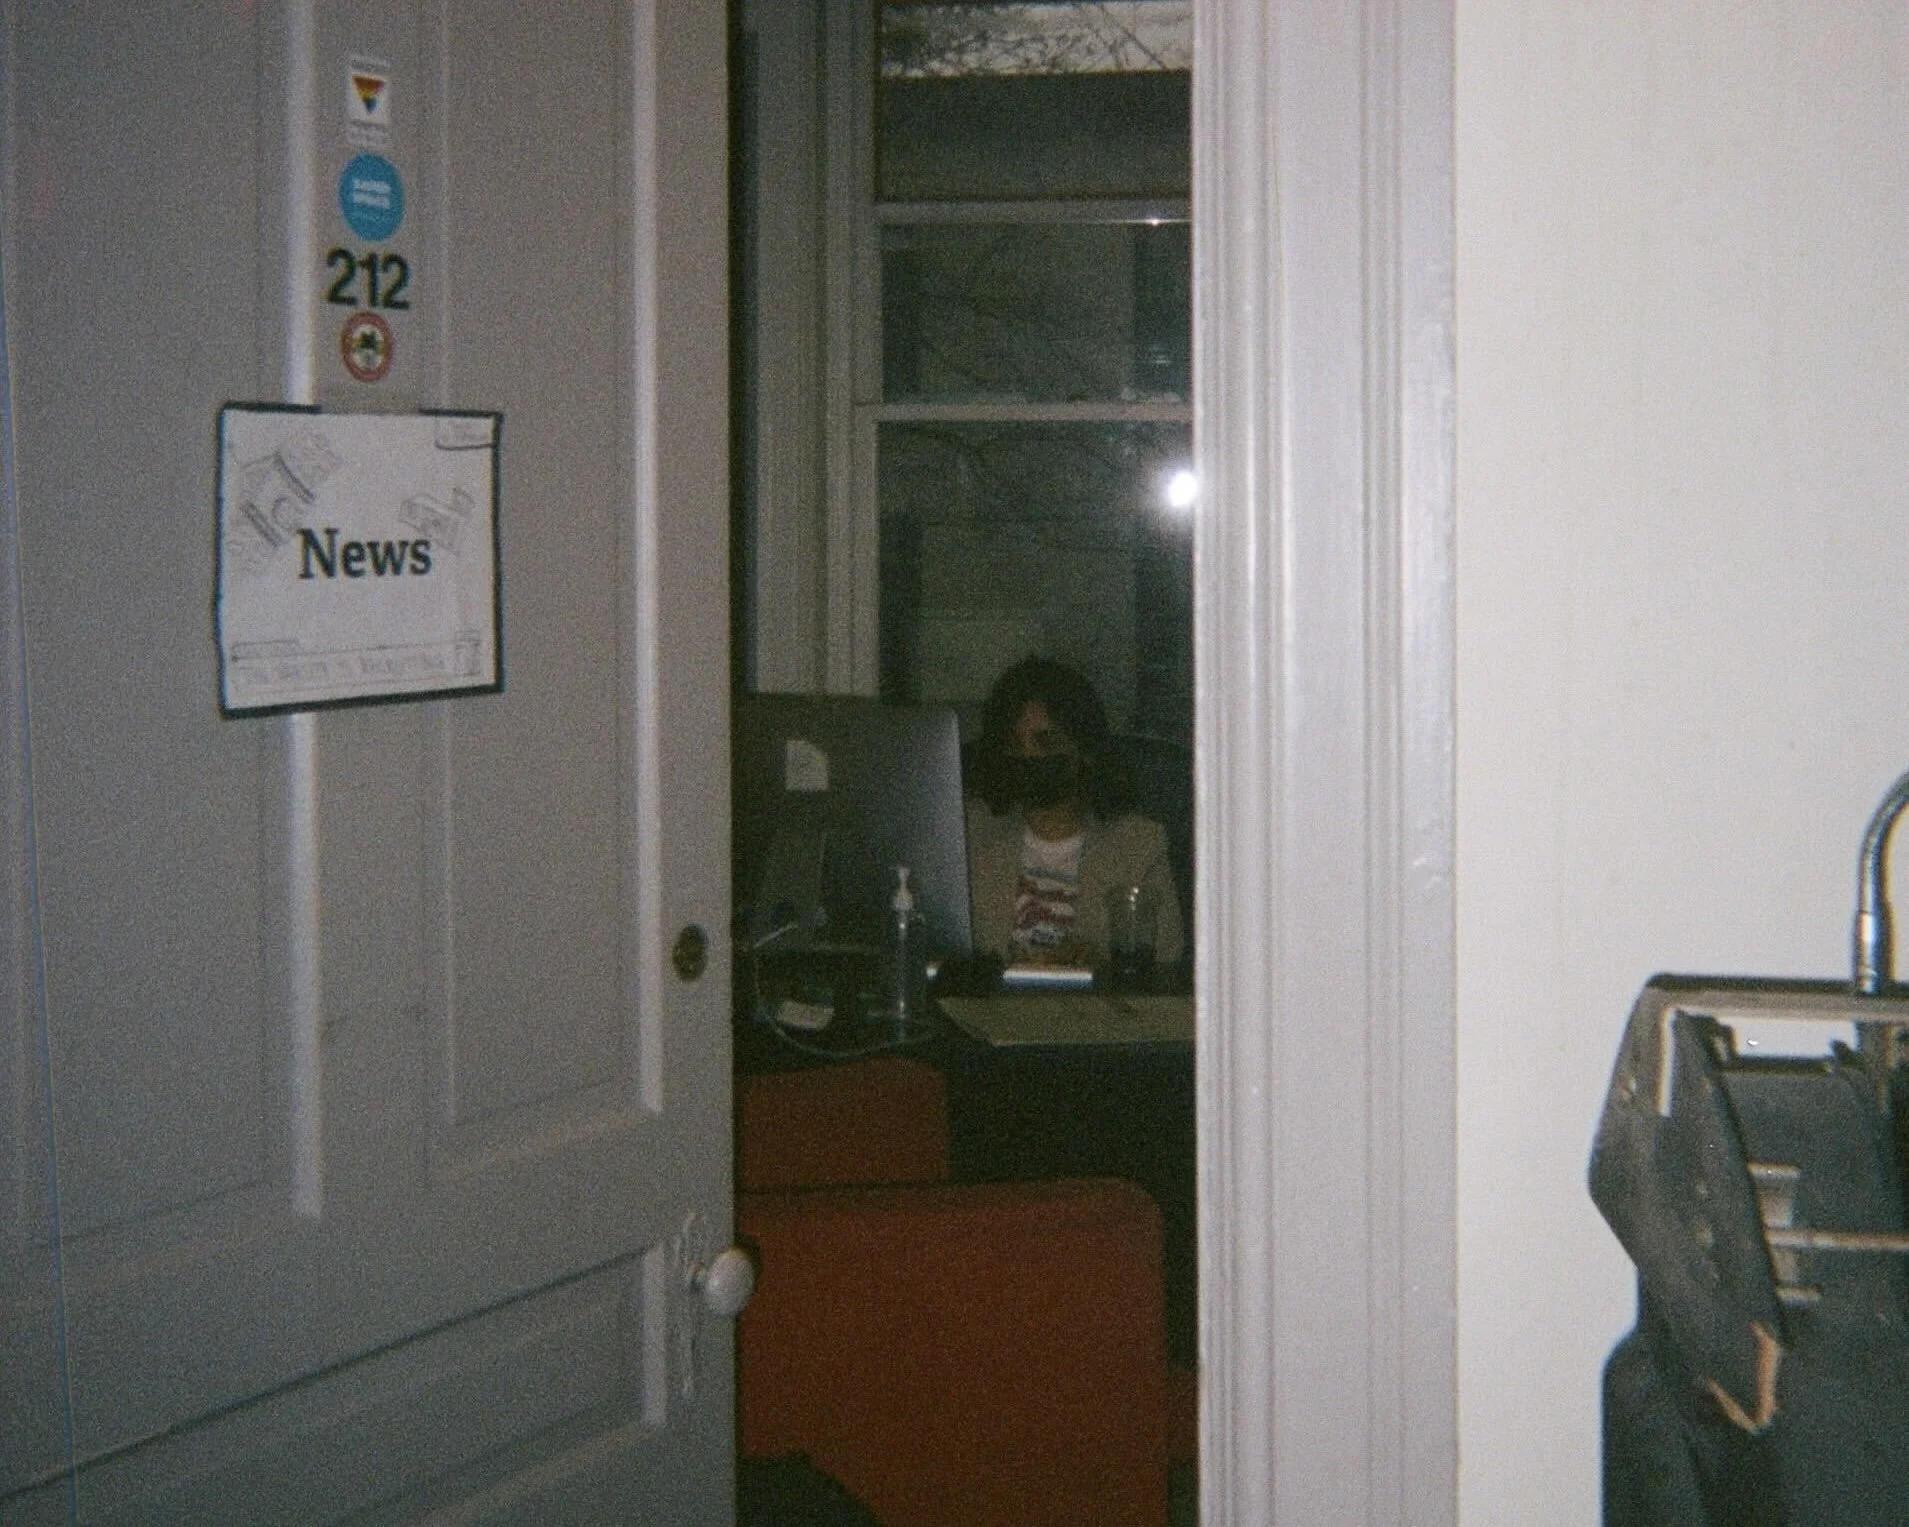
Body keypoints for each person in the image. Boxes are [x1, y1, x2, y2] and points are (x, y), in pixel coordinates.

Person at [965, 656, 1184, 970]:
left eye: (1045, 742)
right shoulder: (967, 833)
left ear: (1084, 749)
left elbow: (1165, 965)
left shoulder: (1140, 845)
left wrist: (1101, 966)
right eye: (1015, 743)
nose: (1028, 755)